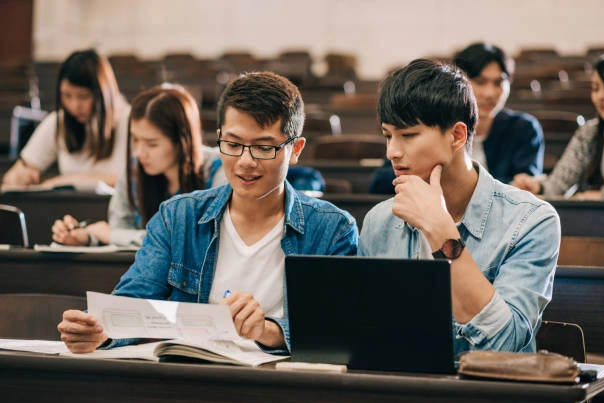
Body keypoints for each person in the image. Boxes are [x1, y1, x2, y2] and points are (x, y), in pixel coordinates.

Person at [57, 71, 359, 353]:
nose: (245, 161)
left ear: (295, 150)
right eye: (233, 143)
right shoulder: (178, 217)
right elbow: (134, 299)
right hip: (190, 378)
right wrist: (98, 329)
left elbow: (336, 328)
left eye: (264, 148)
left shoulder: (332, 230)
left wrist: (266, 330)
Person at [358, 59, 560, 356]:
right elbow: (365, 333)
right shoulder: (380, 220)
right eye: (388, 135)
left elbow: (505, 345)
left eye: (409, 135)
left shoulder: (532, 221)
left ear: (457, 135)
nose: (393, 152)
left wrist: (441, 232)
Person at [50, 84, 227, 247]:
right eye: (135, 140)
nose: (140, 152)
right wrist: (87, 237)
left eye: (152, 144)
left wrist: (111, 235)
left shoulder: (219, 169)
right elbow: (118, 234)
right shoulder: (134, 170)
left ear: (182, 142)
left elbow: (194, 244)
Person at [368, 43, 544, 194]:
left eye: (498, 83)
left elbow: (524, 184)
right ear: (459, 83)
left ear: (459, 135)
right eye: (480, 81)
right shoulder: (425, 120)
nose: (490, 93)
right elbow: (380, 182)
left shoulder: (523, 128)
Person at [2, 49, 130, 189]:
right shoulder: (58, 122)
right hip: (69, 209)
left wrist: (64, 181)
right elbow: (17, 172)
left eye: (83, 96)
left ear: (103, 95)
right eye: (67, 95)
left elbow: (129, 179)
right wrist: (16, 178)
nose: (74, 106)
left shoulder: (128, 121)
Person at [513, 53, 604, 200]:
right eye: (596, 89)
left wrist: (603, 196)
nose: (600, 97)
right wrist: (538, 186)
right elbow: (558, 184)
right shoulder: (591, 132)